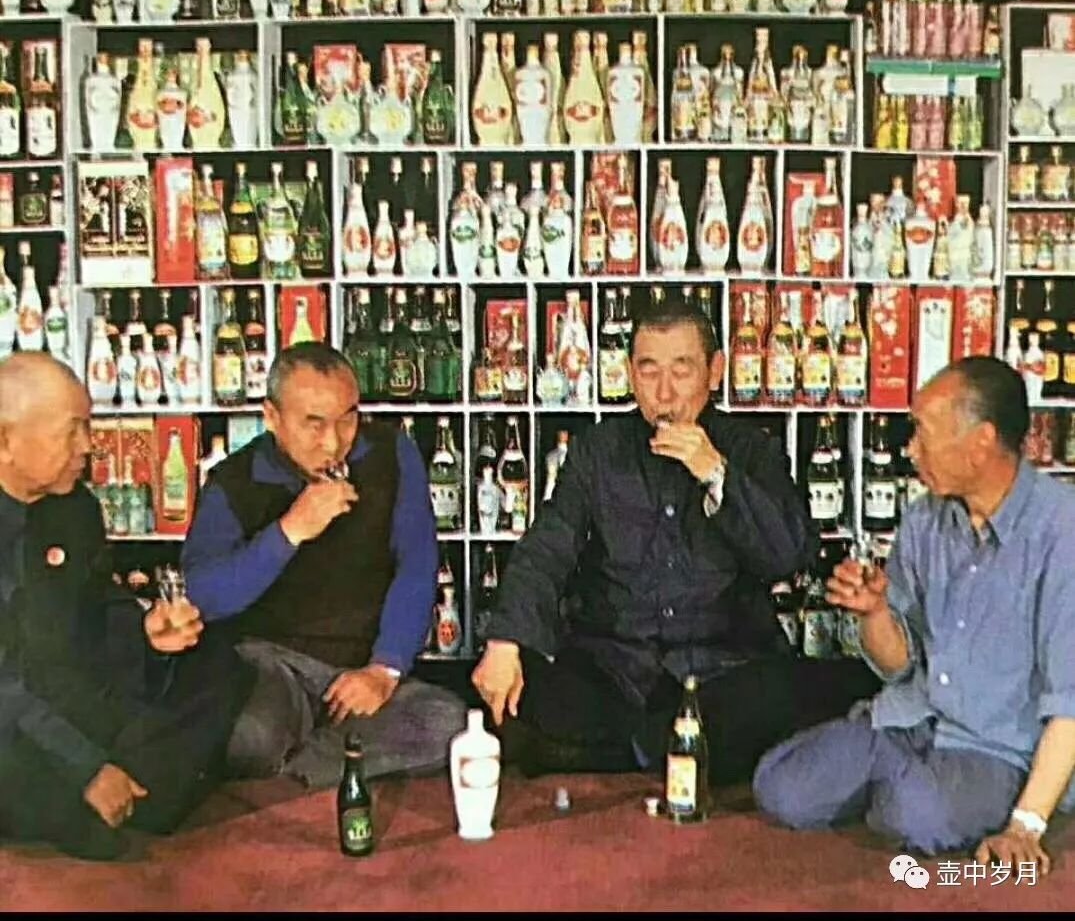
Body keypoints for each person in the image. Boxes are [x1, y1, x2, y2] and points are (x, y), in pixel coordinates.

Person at [471, 297, 878, 783]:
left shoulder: (752, 448)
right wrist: (506, 641)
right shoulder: (598, 451)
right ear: (630, 373)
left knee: (791, 691)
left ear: (715, 371)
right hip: (616, 670)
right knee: (525, 690)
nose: (664, 393)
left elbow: (789, 555)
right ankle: (668, 748)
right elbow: (547, 547)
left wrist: (717, 473)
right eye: (649, 372)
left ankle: (634, 750)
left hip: (722, 669)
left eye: (682, 371)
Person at [753, 357, 1075, 873]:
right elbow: (898, 665)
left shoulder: (1062, 531)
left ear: (981, 443)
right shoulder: (926, 518)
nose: (909, 450)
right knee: (780, 786)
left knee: (916, 816)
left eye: (922, 433)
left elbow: (1070, 703)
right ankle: (892, 772)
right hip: (910, 718)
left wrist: (1026, 825)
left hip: (996, 748)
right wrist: (875, 612)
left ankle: (896, 783)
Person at [0, 353, 251, 861]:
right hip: (14, 712)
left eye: (87, 428)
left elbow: (100, 602)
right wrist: (85, 766)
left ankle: (109, 791)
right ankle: (95, 795)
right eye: (71, 431)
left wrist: (148, 628)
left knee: (222, 662)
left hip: (76, 690)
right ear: (5, 440)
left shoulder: (76, 508)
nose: (87, 446)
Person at [182, 343, 465, 788]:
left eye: (347, 419)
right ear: (272, 417)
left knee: (449, 724)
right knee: (248, 737)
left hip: (359, 667)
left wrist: (384, 669)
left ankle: (299, 771)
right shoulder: (235, 480)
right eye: (313, 424)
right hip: (270, 665)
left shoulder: (391, 453)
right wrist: (290, 531)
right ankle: (334, 761)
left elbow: (416, 564)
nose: (333, 443)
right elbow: (204, 596)